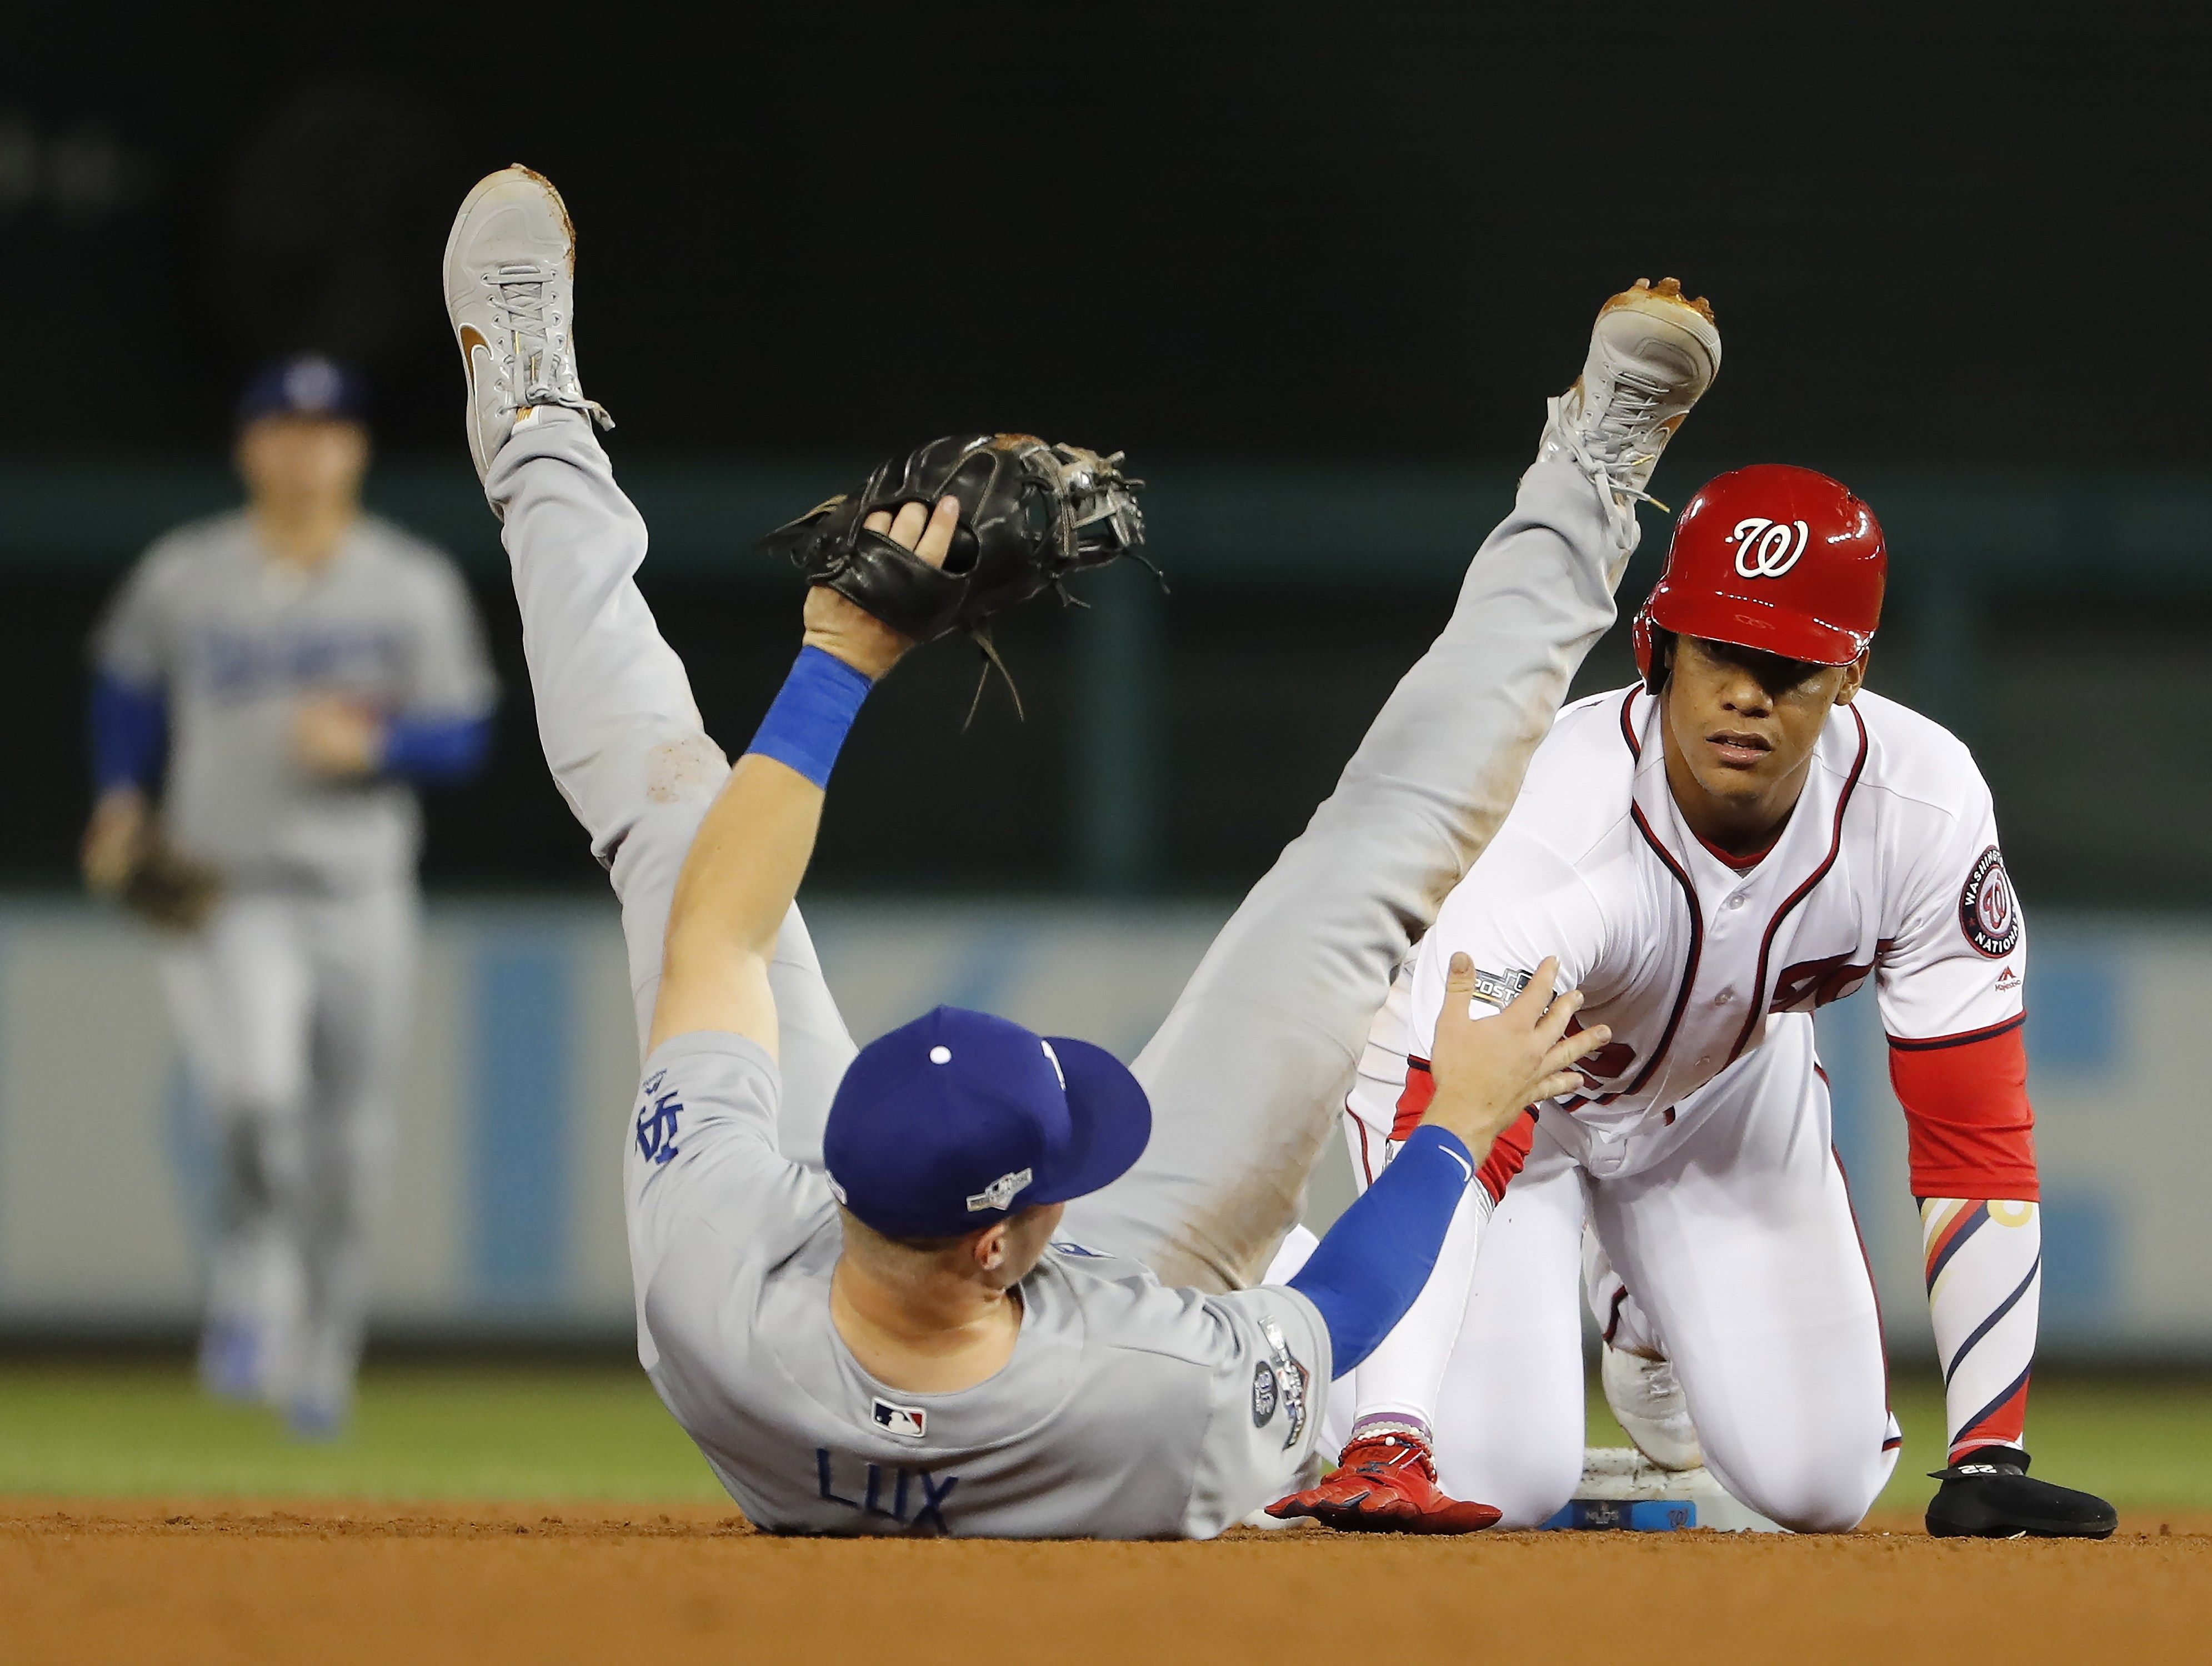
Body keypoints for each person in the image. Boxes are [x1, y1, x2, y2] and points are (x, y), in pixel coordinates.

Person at [442, 164, 1713, 1536]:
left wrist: (837, 659)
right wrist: (1460, 1117)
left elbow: (714, 933)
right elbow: (1334, 1316)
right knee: (1368, 865)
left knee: (672, 832)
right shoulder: (1155, 1389)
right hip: (1086, 1334)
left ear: (834, 1178)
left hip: (868, 1307)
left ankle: (531, 433)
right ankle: (1589, 481)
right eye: (1063, 1165)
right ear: (997, 1240)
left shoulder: (720, 1261)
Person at [1273, 466, 2119, 1538]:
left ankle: (1641, 1317)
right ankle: (1275, 1304)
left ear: (1849, 675)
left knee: (1822, 1489)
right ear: (1657, 646)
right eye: (1721, 650)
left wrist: (1988, 1450)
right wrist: (1388, 1436)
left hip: (1720, 1095)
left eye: (1790, 666)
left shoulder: (1921, 806)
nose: (1748, 695)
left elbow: (1974, 1138)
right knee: (1508, 1481)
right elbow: (1457, 1118)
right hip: (1487, 1108)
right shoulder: (1550, 820)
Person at [82, 355, 496, 1434]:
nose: (306, 450)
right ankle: (254, 1274)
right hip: (226, 884)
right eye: (284, 429)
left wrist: (380, 739)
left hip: (359, 887)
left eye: (327, 431)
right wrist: (122, 795)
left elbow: (466, 732)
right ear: (249, 446)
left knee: (353, 1140)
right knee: (256, 1095)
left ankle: (325, 1348)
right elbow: (124, 683)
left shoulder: (407, 580)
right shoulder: (187, 572)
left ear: (354, 449)